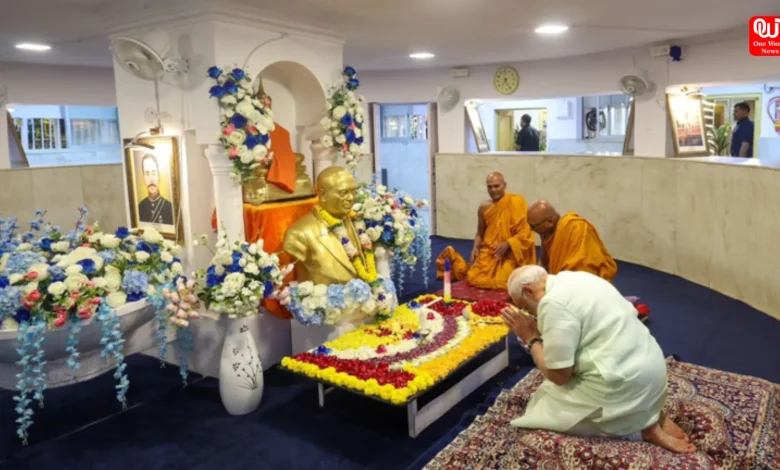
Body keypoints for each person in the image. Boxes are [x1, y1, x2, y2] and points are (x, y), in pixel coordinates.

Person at [501, 265, 696, 453]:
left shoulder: (552, 303)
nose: (530, 313)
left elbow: (559, 376)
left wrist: (531, 338)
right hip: (653, 369)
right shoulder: (578, 277)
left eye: (526, 307)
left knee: (542, 405)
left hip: (625, 384)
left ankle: (642, 430)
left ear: (528, 291)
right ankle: (653, 413)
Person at [436, 172, 536, 290]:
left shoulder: (517, 201)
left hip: (511, 254)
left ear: (505, 185)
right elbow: (480, 233)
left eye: (496, 186)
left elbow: (527, 231)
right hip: (491, 252)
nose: (493, 190)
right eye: (490, 187)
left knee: (504, 281)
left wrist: (508, 243)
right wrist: (475, 248)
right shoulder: (484, 207)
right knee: (473, 278)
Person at [527, 200, 617, 282]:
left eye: (533, 226)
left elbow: (583, 269)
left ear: (549, 222)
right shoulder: (546, 233)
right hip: (561, 282)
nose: (531, 229)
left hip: (587, 283)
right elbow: (544, 263)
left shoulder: (577, 227)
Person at [137, 154, 174, 225]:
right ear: (143, 177)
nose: (151, 180)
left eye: (154, 173)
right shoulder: (140, 207)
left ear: (159, 176)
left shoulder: (169, 207)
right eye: (147, 174)